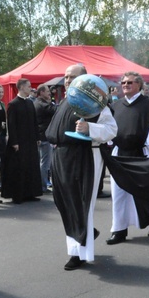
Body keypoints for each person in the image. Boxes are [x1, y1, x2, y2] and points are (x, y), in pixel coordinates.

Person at [46, 64, 117, 271]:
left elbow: (112, 130)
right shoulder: (66, 101)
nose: (67, 80)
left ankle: (79, 252)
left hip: (83, 156)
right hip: (61, 157)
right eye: (66, 76)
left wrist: (90, 128)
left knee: (80, 203)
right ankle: (84, 233)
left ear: (84, 80)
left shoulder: (96, 103)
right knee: (65, 203)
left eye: (72, 77)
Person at [105, 71, 149, 243]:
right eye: (123, 83)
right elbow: (109, 127)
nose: (125, 85)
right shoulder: (116, 106)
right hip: (120, 154)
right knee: (119, 193)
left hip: (142, 153)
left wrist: (145, 140)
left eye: (129, 82)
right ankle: (119, 229)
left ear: (139, 84)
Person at [2, 78, 43, 204]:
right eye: (29, 86)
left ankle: (30, 193)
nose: (31, 88)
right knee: (19, 168)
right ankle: (18, 195)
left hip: (31, 141)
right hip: (19, 142)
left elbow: (35, 122)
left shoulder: (30, 103)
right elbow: (11, 124)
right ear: (21, 87)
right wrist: (14, 142)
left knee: (31, 166)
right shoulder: (13, 104)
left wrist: (37, 137)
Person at [34, 84, 56, 192]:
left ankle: (40, 184)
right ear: (41, 92)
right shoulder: (42, 104)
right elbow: (55, 109)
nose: (50, 93)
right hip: (44, 137)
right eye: (47, 91)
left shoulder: (37, 102)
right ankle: (42, 186)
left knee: (42, 162)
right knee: (45, 163)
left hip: (41, 136)